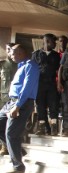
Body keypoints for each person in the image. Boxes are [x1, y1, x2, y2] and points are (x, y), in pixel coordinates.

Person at [0, 44, 40, 173]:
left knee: (11, 134)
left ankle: (18, 167)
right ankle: (18, 151)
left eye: (13, 53)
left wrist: (17, 106)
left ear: (21, 53)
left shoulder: (31, 65)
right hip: (11, 102)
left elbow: (27, 88)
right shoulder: (21, 66)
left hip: (21, 102)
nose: (11, 55)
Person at [32, 33, 61, 136]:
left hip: (52, 83)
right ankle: (42, 127)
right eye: (54, 42)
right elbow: (32, 71)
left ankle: (54, 128)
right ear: (48, 41)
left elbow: (59, 70)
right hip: (39, 84)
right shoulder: (35, 54)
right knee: (40, 106)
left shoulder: (56, 55)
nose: (55, 44)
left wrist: (59, 83)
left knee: (53, 105)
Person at [0, 43, 18, 156]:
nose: (9, 51)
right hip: (2, 97)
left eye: (11, 49)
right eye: (7, 49)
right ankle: (4, 146)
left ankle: (11, 147)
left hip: (13, 99)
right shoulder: (2, 64)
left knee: (10, 123)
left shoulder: (19, 64)